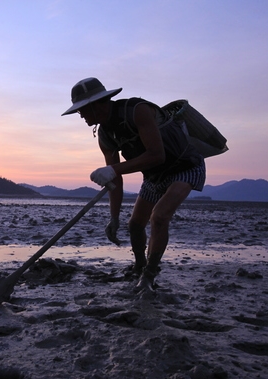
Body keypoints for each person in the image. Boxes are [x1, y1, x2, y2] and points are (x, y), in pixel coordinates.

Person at [62, 77, 206, 292]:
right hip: (155, 177)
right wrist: (114, 217)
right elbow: (115, 180)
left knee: (159, 217)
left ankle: (149, 276)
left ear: (97, 105)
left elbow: (157, 155)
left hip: (185, 167)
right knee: (135, 225)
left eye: (83, 110)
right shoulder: (105, 135)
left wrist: (114, 169)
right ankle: (140, 266)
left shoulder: (137, 110)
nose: (81, 115)